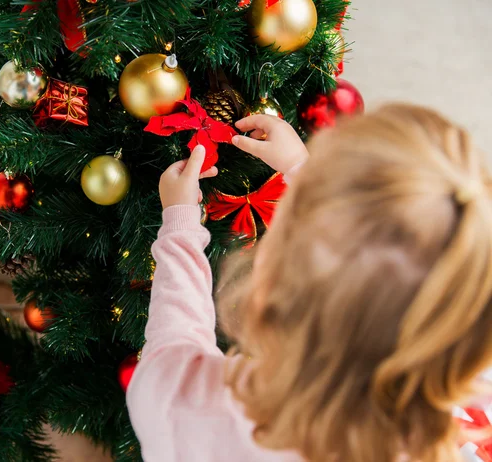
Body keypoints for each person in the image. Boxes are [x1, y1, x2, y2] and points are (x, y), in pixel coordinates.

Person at [126, 104, 492, 462]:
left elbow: (171, 347)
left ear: (275, 289)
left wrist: (181, 226)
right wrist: (302, 170)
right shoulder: (465, 398)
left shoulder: (201, 409)